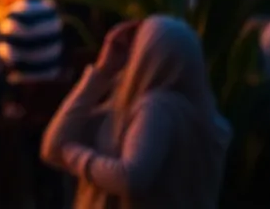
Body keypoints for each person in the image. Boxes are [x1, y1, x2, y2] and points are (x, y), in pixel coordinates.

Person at [41, 16, 232, 208]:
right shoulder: (201, 114)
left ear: (145, 54)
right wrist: (102, 71)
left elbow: (130, 177)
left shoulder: (156, 107)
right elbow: (51, 147)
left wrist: (73, 154)